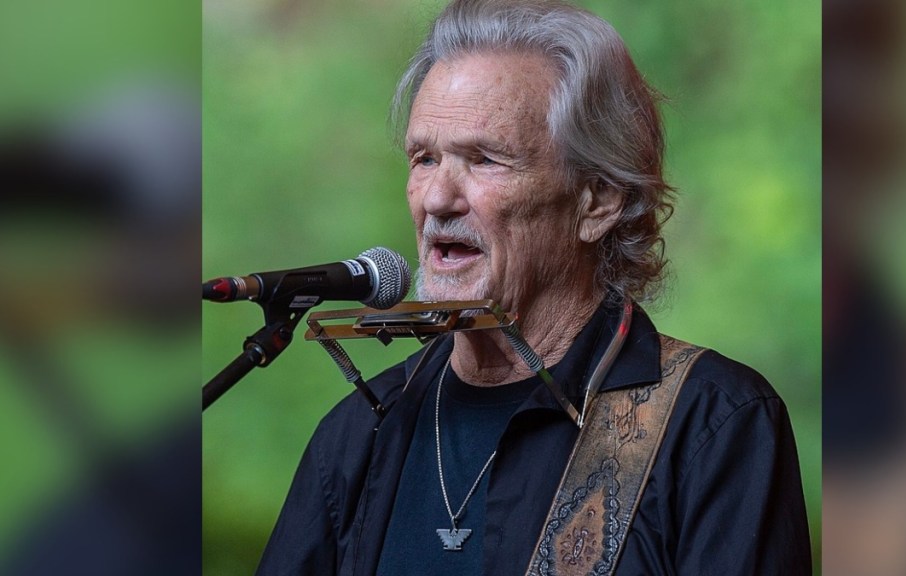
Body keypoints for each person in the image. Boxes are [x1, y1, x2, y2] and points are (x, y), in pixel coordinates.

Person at [256, 0, 810, 574]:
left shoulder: (713, 425)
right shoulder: (357, 435)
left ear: (597, 200)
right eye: (423, 159)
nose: (437, 199)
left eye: (484, 159)